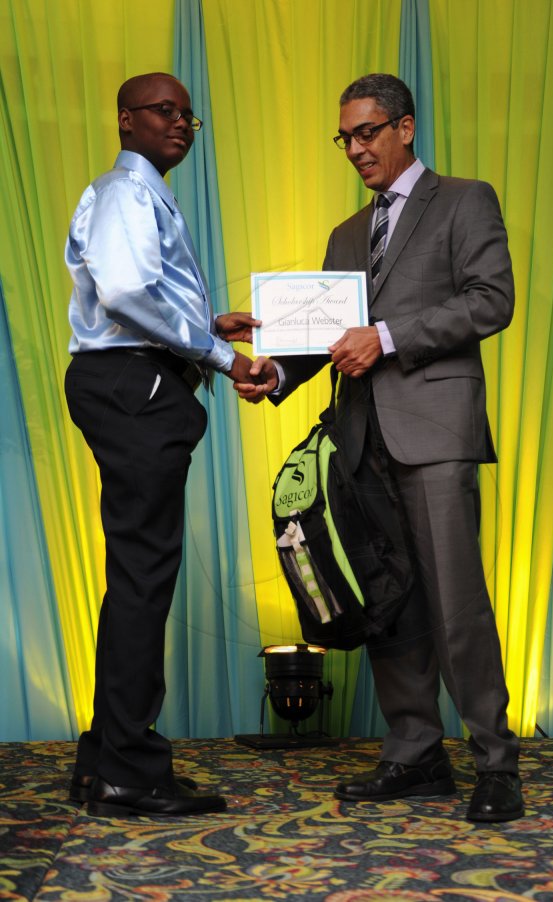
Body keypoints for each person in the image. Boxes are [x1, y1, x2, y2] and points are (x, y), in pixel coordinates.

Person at [236, 73, 523, 823]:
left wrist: (389, 337)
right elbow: (325, 340)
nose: (356, 149)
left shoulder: (465, 199)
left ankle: (495, 761)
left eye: (367, 133)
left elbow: (492, 299)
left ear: (406, 128)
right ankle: (415, 753)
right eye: (346, 138)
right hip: (361, 444)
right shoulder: (343, 234)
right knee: (388, 602)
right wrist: (273, 372)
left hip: (434, 433)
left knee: (456, 604)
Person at [64, 72, 260, 818]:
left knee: (133, 577)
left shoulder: (141, 192)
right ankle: (130, 773)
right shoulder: (126, 192)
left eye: (188, 115)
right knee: (145, 577)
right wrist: (222, 360)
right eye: (163, 111)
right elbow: (125, 295)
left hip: (127, 380)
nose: (180, 123)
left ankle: (104, 757)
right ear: (126, 120)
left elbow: (129, 296)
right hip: (132, 387)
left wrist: (209, 328)